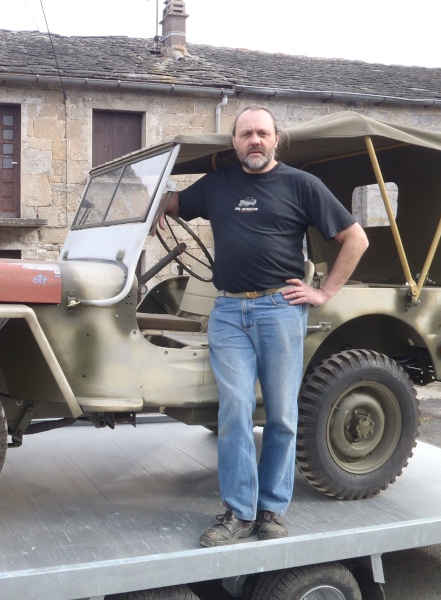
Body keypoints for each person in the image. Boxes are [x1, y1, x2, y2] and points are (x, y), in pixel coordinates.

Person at [161, 105, 369, 547]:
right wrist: (154, 199)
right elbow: (175, 204)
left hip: (280, 310)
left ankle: (271, 510)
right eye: (245, 134)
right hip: (229, 314)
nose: (254, 141)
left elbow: (356, 238)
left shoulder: (302, 184)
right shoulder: (217, 184)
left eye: (262, 133)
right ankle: (238, 512)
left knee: (282, 415)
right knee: (234, 411)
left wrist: (324, 292)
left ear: (276, 139)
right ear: (233, 142)